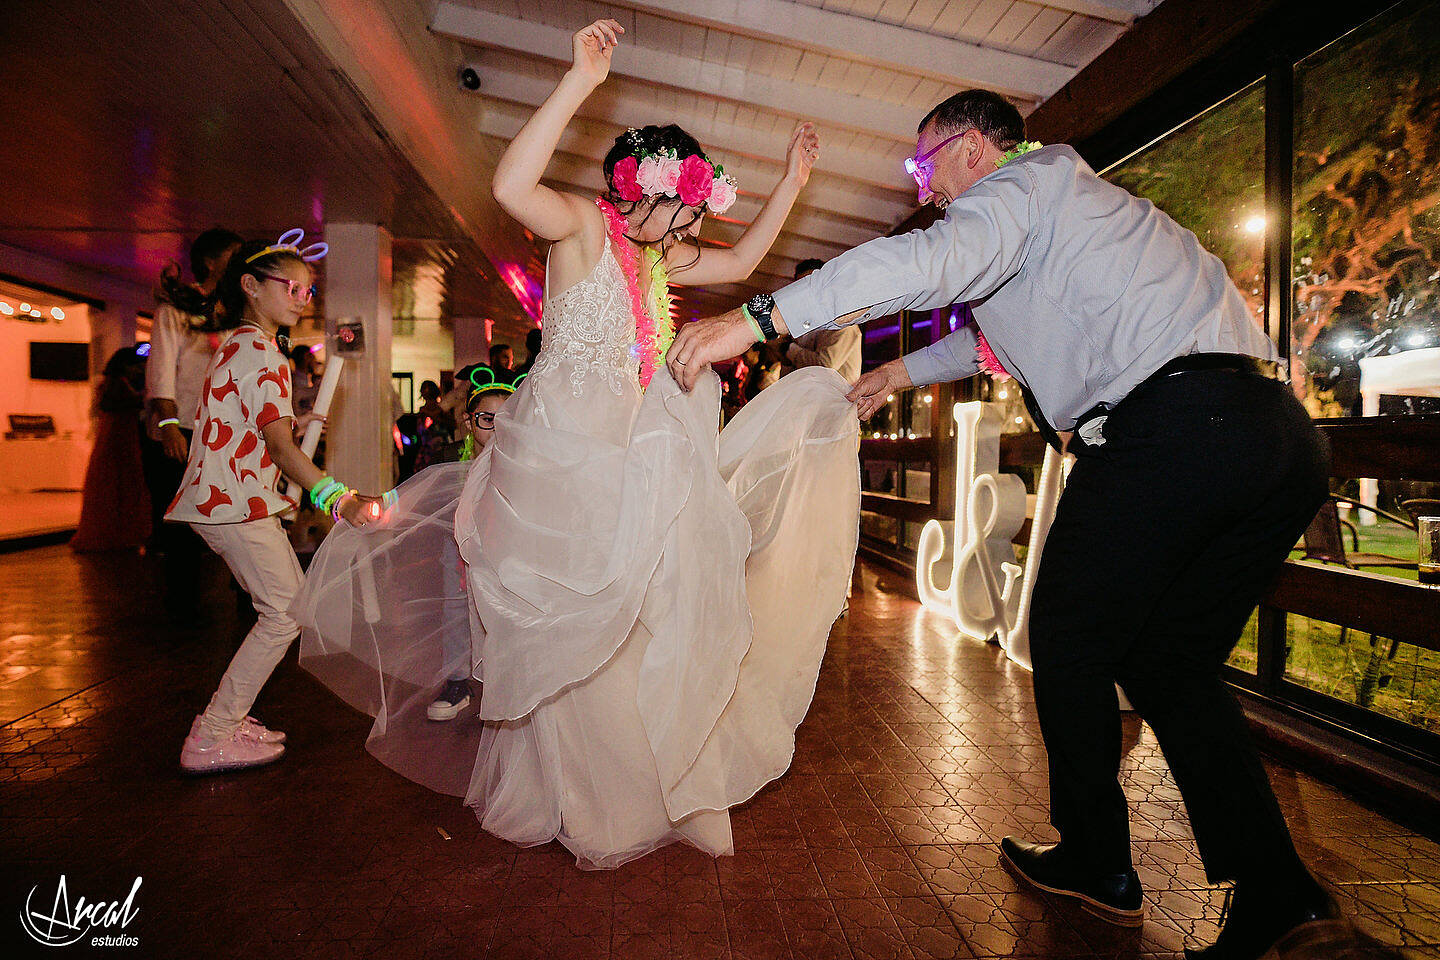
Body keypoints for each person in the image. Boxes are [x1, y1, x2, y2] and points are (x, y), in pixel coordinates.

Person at [668, 89, 1333, 959]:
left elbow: (929, 262)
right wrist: (894, 375)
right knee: (1169, 662)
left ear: (975, 148)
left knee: (1069, 633)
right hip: (1276, 437)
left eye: (924, 164)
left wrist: (758, 317)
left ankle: (1097, 862)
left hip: (1178, 429)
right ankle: (1280, 893)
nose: (924, 187)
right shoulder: (1062, 210)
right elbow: (990, 338)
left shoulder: (1020, 189)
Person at [295, 18, 859, 870]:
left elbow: (745, 259)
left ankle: (649, 784)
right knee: (567, 623)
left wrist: (792, 182)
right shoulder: (583, 227)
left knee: (638, 618)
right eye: (684, 210)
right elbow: (511, 184)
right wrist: (579, 83)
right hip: (560, 454)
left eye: (695, 215)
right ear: (644, 190)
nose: (690, 227)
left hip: (634, 450)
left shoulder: (660, 262)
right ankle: (579, 793)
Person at [169, 233, 384, 774]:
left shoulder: (244, 345)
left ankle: (225, 720)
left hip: (230, 499)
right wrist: (339, 499)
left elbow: (248, 424)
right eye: (291, 287)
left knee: (286, 608)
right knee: (285, 613)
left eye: (307, 291)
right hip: (233, 503)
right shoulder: (261, 351)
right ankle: (212, 735)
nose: (301, 299)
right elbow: (282, 450)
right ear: (250, 285)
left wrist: (291, 421)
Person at [144, 227, 242, 614]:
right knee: (181, 519)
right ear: (210, 263)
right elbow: (161, 370)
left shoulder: (234, 311)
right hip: (182, 426)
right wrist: (168, 427)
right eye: (233, 256)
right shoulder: (175, 310)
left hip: (223, 428)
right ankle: (181, 603)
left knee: (229, 510)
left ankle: (244, 590)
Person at [71, 347, 152, 553]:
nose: (139, 369)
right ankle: (119, 535)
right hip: (120, 439)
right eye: (136, 365)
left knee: (111, 486)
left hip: (115, 438)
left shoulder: (109, 383)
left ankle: (114, 535)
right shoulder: (118, 384)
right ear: (125, 366)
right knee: (120, 486)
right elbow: (128, 405)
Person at [781, 258, 861, 382]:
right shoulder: (801, 319)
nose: (805, 291)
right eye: (800, 286)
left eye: (810, 284)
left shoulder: (843, 322)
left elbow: (824, 367)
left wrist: (788, 349)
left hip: (832, 393)